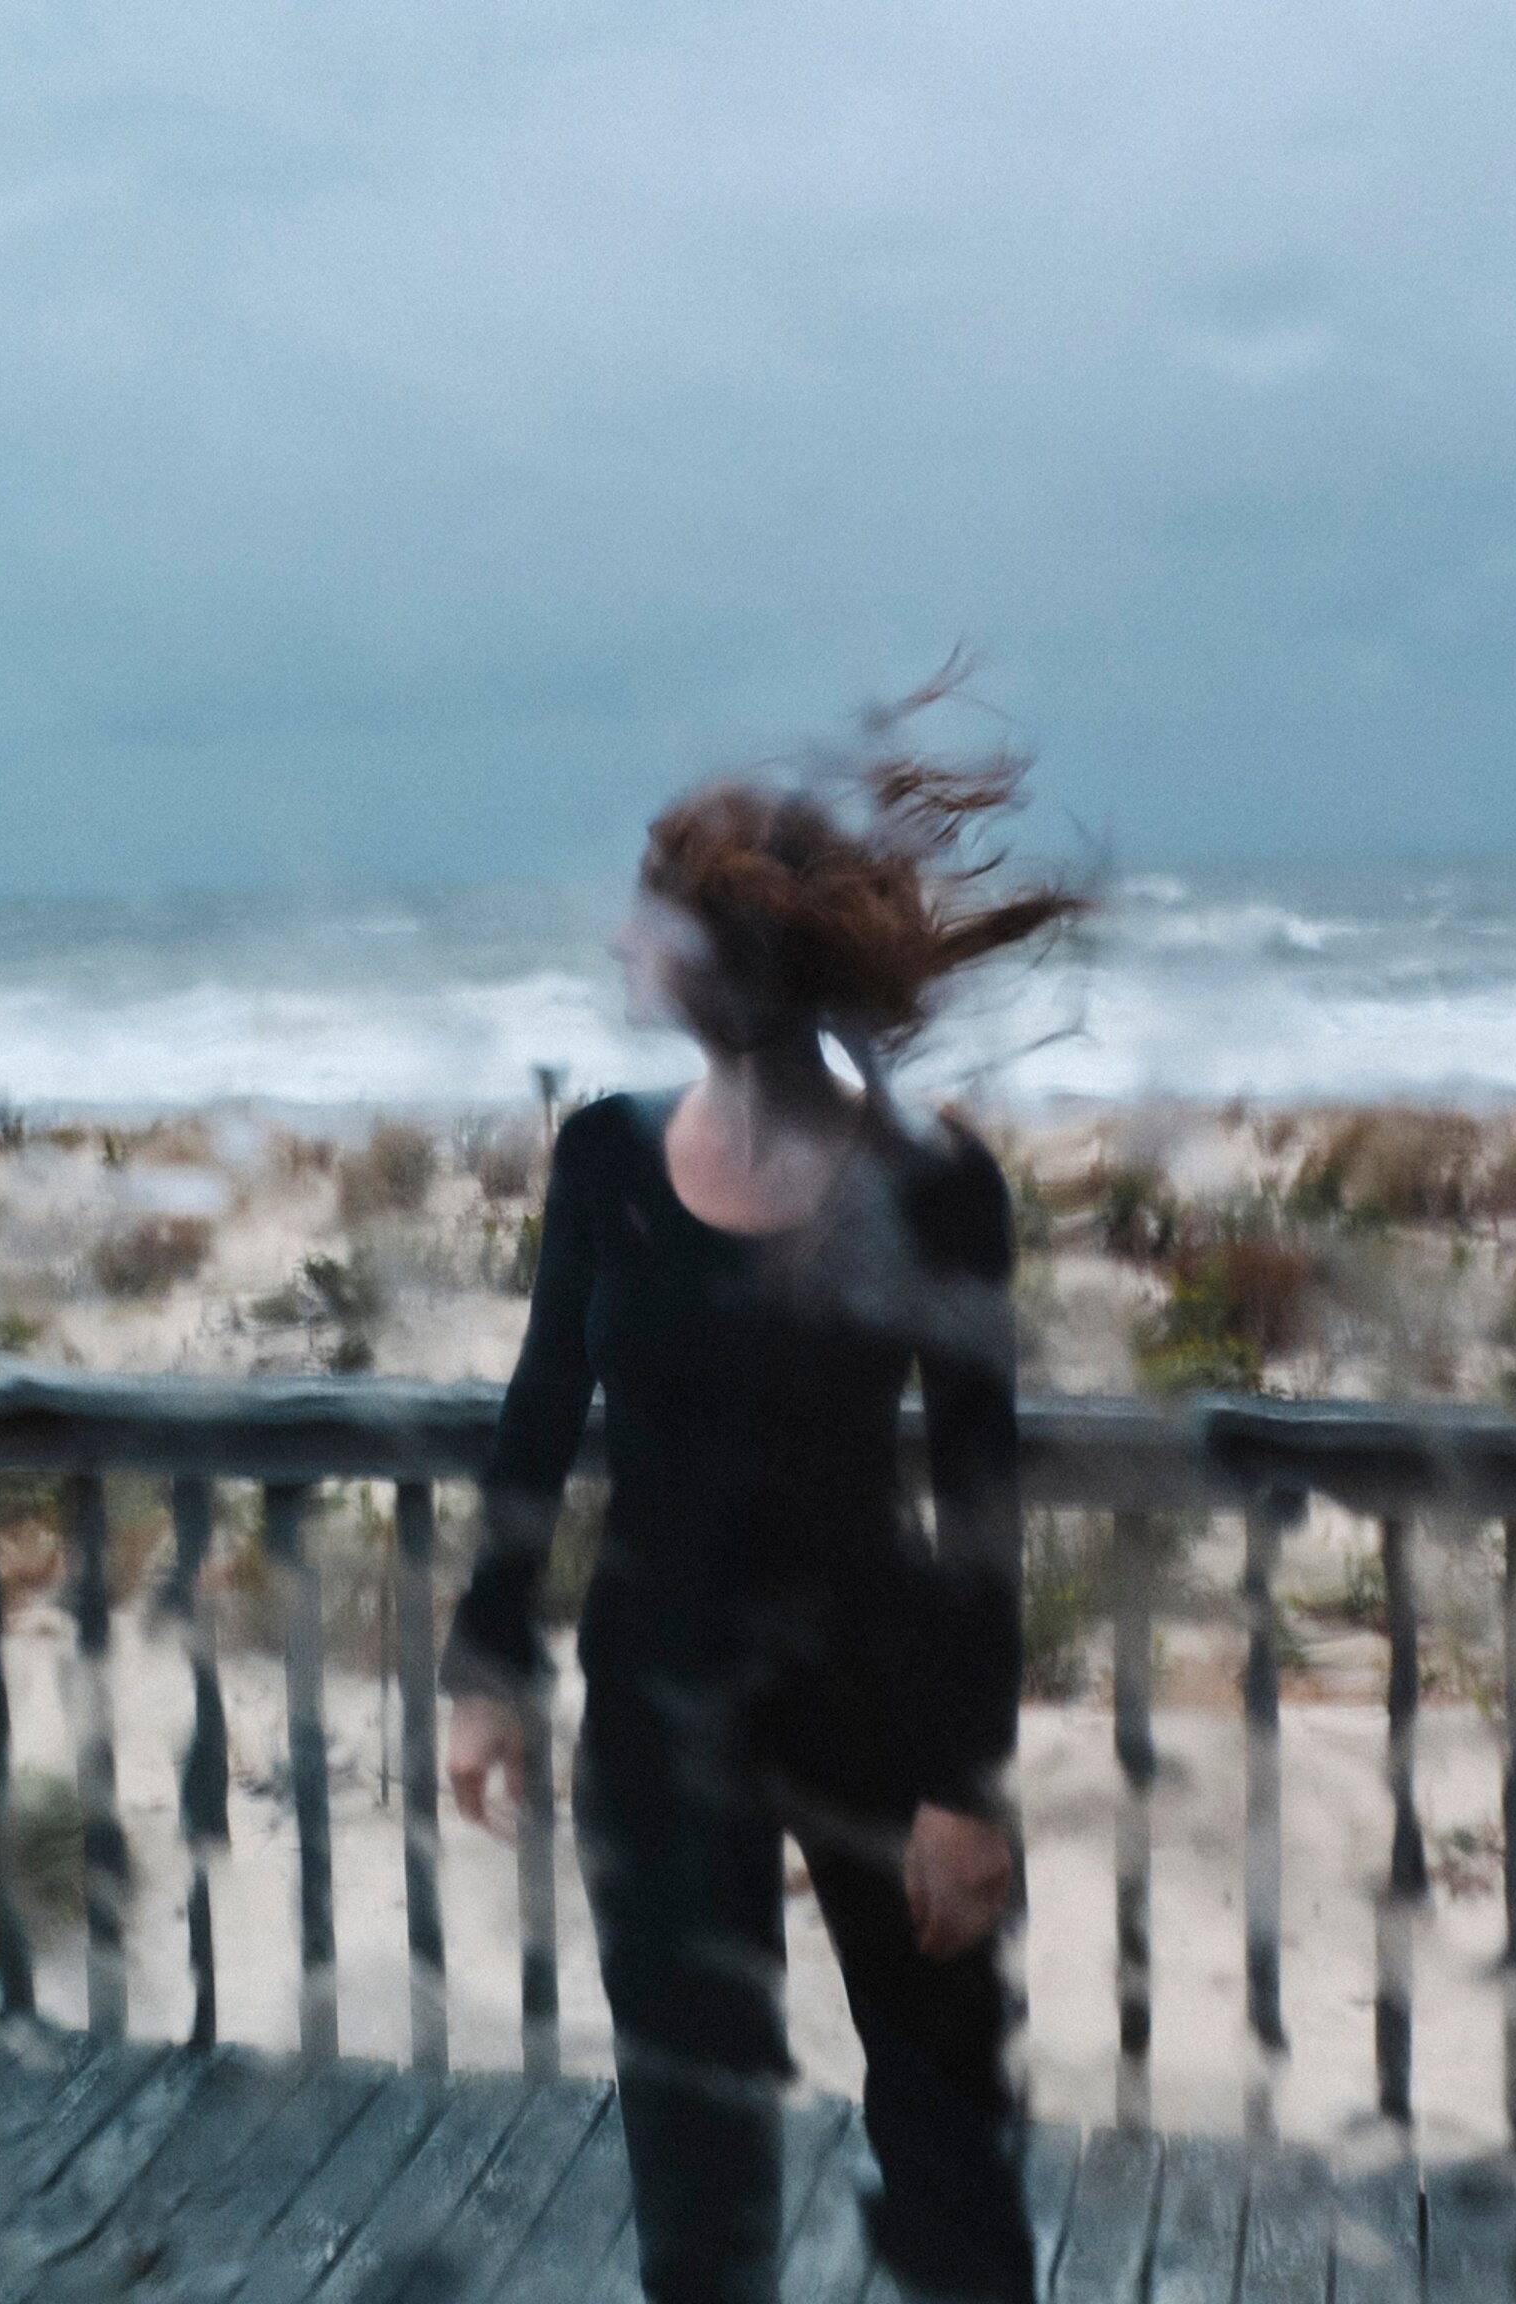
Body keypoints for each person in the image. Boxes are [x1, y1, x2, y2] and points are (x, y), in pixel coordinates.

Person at [441, 705, 1078, 2304]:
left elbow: (981, 1495)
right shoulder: (604, 1163)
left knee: (945, 2127)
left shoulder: (935, 1184)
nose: (615, 940)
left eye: (647, 918)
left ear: (718, 963)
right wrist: (485, 1661)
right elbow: (539, 1418)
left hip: (879, 1701)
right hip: (659, 1712)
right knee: (695, 2144)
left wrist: (969, 1787)